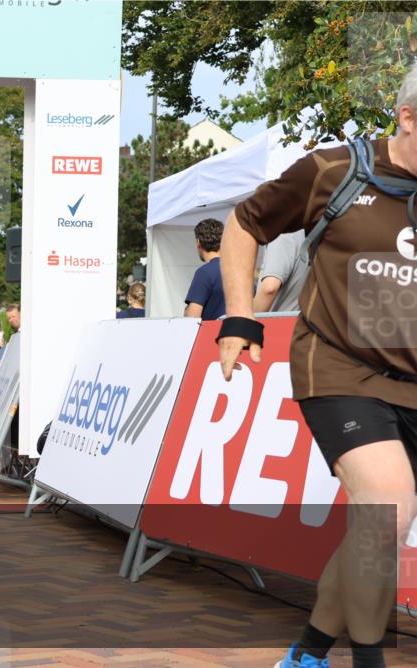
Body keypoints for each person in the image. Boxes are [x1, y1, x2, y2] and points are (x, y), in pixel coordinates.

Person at [217, 65, 417, 668]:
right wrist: (240, 318)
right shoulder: (335, 169)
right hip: (337, 367)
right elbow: (245, 224)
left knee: (370, 530)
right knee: (388, 506)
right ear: (408, 117)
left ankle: (306, 654)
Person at [252, 230, 308, 313]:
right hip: (295, 320)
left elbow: (269, 288)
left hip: (276, 322)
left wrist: (245, 322)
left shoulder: (282, 236)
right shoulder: (305, 233)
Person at [183, 218, 226, 320]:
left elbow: (192, 317)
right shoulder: (241, 270)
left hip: (213, 334)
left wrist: (187, 311)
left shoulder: (204, 273)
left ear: (199, 242)